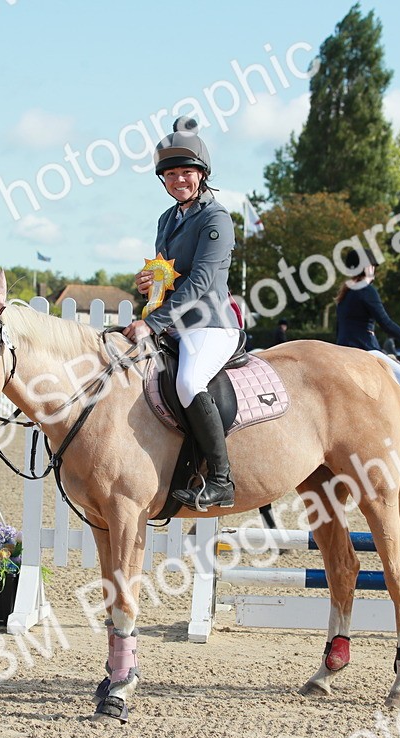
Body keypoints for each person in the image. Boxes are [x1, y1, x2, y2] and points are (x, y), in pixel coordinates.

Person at [124, 115, 240, 512]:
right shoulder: (167, 219)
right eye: (170, 174)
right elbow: (171, 276)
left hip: (210, 325)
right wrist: (149, 284)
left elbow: (202, 281)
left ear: (202, 174)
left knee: (189, 382)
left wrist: (152, 322)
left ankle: (222, 479)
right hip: (174, 325)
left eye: (186, 172)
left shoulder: (216, 218)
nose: (178, 180)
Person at [334, 251, 400, 395]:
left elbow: (339, 328)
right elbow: (386, 323)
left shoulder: (345, 293)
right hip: (364, 349)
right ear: (366, 268)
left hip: (341, 350)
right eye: (372, 266)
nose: (374, 270)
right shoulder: (367, 290)